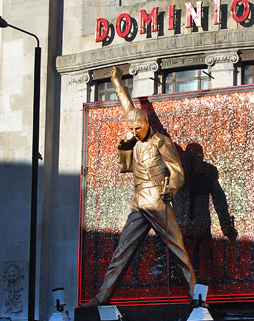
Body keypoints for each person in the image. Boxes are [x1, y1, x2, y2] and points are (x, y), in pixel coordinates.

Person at [82, 66, 197, 307]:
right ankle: (102, 297)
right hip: (138, 202)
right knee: (121, 252)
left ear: (146, 122)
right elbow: (126, 105)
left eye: (138, 127)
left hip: (157, 199)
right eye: (131, 128)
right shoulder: (132, 135)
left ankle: (196, 297)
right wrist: (116, 82)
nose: (134, 132)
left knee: (177, 250)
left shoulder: (161, 141)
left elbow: (177, 170)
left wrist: (172, 188)